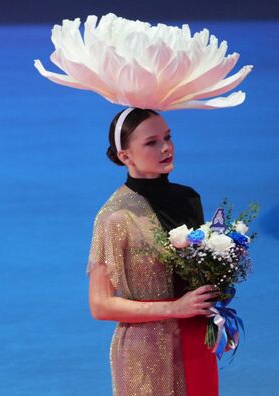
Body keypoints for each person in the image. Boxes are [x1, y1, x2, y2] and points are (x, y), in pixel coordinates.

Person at [87, 108, 218, 396]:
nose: (166, 148)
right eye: (151, 142)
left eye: (168, 137)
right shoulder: (115, 217)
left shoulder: (189, 198)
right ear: (125, 156)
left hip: (197, 341)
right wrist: (173, 308)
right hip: (146, 356)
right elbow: (100, 305)